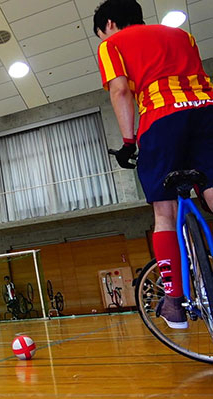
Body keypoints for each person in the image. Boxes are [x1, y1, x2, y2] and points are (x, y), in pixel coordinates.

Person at [94, 0, 213, 329]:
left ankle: (174, 301)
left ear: (110, 24)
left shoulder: (112, 44)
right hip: (206, 108)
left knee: (164, 211)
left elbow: (120, 91)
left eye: (101, 32)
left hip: (162, 117)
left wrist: (128, 141)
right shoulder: (182, 36)